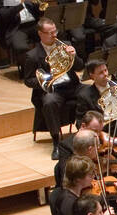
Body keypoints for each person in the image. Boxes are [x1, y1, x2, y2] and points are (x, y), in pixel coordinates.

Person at [23, 18, 82, 151]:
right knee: (49, 102)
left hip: (72, 86)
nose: (54, 35)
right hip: (52, 90)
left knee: (91, 92)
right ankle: (56, 143)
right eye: (50, 32)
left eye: (55, 31)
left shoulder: (65, 45)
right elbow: (28, 80)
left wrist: (74, 56)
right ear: (40, 34)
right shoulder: (32, 56)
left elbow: (80, 66)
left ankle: (87, 133)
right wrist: (46, 81)